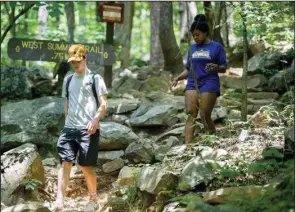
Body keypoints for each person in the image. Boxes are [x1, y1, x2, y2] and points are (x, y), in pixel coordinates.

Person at [54, 44, 108, 211]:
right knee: (65, 163)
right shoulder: (68, 79)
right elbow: (67, 104)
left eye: (78, 61)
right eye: (72, 62)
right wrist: (66, 123)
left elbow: (104, 104)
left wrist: (95, 119)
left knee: (86, 166)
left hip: (88, 129)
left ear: (85, 58)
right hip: (69, 129)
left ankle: (93, 198)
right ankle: (59, 200)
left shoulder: (95, 79)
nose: (75, 64)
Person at [172, 14, 227, 144]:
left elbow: (224, 68)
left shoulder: (216, 47)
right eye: (193, 35)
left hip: (209, 82)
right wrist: (178, 78)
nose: (195, 37)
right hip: (192, 83)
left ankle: (213, 140)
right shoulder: (192, 48)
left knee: (204, 113)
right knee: (190, 113)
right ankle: (187, 145)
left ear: (205, 33)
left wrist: (216, 67)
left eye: (198, 34)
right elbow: (189, 69)